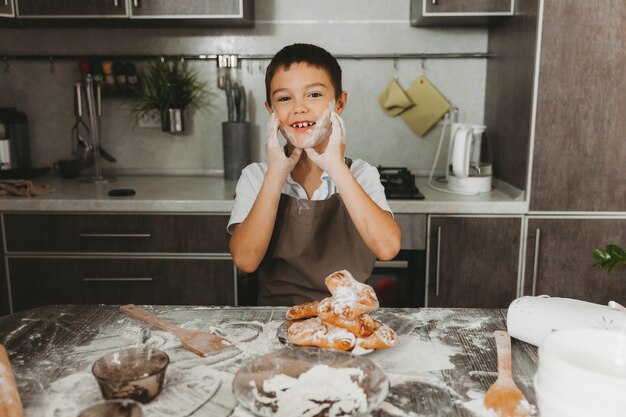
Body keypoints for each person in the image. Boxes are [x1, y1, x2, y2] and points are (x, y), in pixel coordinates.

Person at [228, 43, 401, 306]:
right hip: (277, 318)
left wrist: (336, 168)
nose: (299, 108)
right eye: (284, 98)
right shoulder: (256, 176)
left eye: (314, 95)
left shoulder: (361, 174)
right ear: (270, 110)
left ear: (340, 103)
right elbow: (245, 260)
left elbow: (387, 248)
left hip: (349, 317)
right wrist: (276, 175)